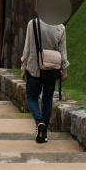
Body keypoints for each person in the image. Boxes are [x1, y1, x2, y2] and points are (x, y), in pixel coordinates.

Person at [21, 14, 69, 144]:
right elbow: (63, 53)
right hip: (51, 69)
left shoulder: (33, 24)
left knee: (32, 97)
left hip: (34, 68)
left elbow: (27, 48)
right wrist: (64, 70)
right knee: (47, 99)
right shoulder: (60, 28)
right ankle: (44, 133)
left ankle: (39, 122)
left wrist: (23, 66)